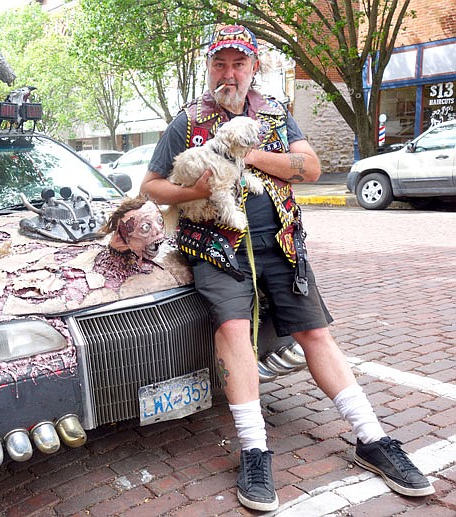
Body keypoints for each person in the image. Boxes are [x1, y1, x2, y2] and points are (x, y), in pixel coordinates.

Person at [140, 24, 434, 512]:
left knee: (315, 333)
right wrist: (195, 191)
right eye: (219, 64)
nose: (228, 73)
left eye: (238, 63)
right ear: (208, 68)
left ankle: (373, 437)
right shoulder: (187, 121)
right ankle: (255, 450)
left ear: (254, 68)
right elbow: (152, 186)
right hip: (217, 247)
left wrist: (248, 154)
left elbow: (311, 169)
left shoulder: (275, 114)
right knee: (232, 329)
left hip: (281, 243)